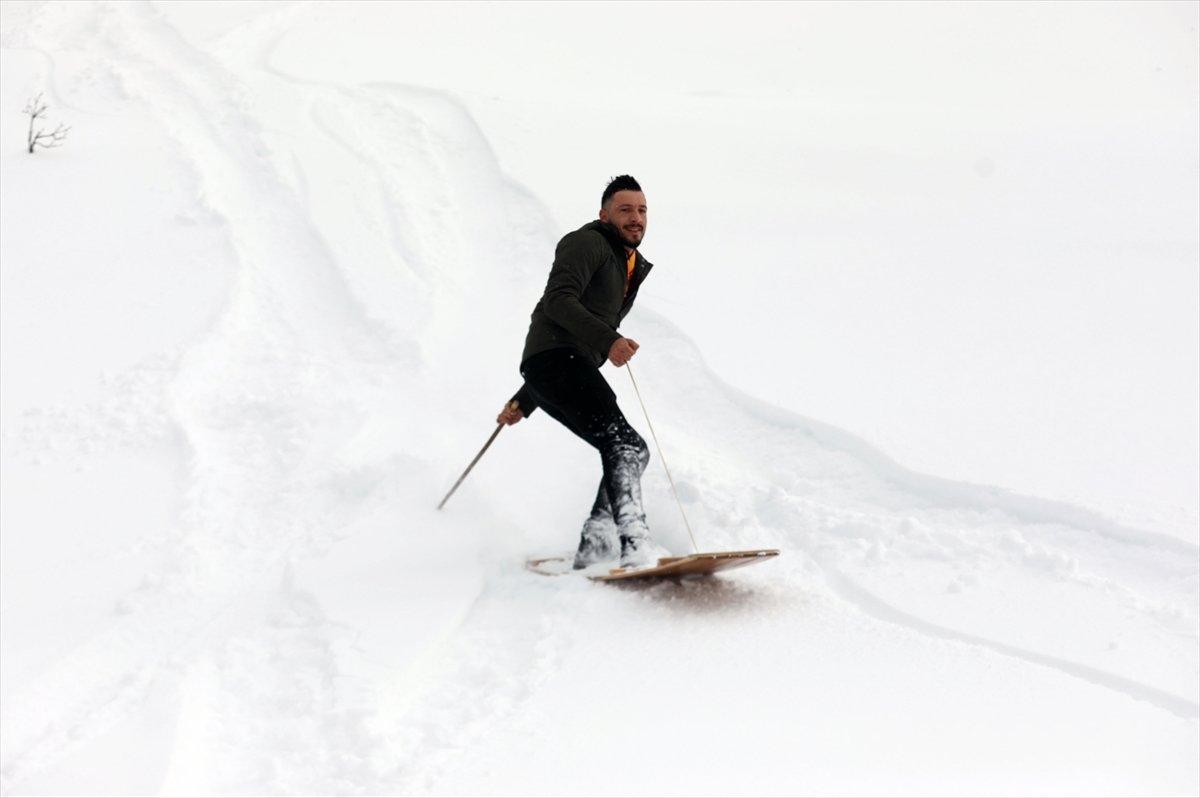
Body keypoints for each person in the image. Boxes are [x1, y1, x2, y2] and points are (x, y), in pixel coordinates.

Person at [496, 175, 670, 570]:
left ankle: (596, 542)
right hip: (558, 361)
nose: (636, 217)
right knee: (624, 446)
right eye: (625, 209)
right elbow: (558, 302)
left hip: (558, 366)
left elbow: (560, 342)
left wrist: (524, 401)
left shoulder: (627, 262)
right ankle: (635, 544)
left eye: (642, 210)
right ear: (604, 215)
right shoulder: (587, 242)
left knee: (633, 450)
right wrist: (610, 340)